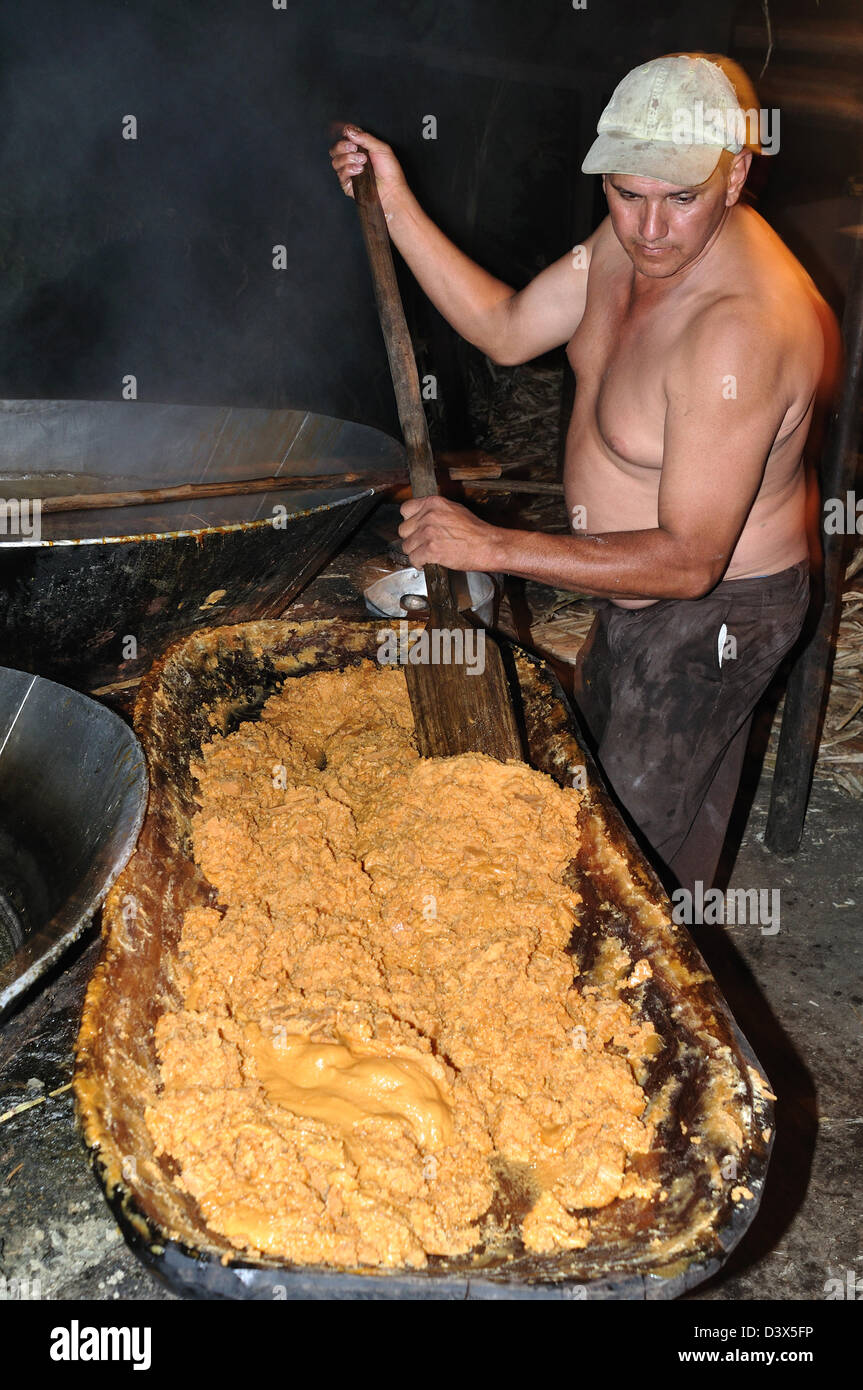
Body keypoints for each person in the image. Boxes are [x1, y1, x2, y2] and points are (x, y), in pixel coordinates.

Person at [329, 53, 838, 896]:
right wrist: (393, 197)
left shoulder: (737, 330)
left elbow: (687, 562)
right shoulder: (628, 240)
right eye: (627, 193)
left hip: (713, 616)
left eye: (681, 198)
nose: (649, 230)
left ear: (735, 172)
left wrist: (492, 545)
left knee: (625, 871)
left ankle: (646, 1008)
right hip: (632, 598)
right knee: (605, 810)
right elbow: (502, 327)